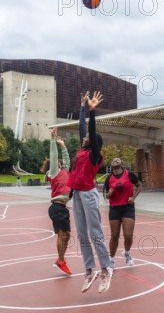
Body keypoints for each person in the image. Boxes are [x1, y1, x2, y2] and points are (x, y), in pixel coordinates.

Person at [67, 91, 113, 294]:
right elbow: (82, 128)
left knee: (95, 234)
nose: (84, 137)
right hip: (77, 195)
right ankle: (89, 271)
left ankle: (105, 269)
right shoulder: (82, 151)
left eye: (88, 137)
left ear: (94, 142)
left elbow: (90, 131)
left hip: (89, 194)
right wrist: (82, 108)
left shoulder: (95, 155)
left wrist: (92, 112)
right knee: (82, 235)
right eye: (84, 137)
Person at [40, 128, 72, 276]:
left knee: (67, 235)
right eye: (57, 162)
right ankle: (61, 261)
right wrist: (52, 140)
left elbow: (67, 160)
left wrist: (62, 145)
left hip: (62, 207)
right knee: (62, 235)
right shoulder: (53, 172)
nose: (59, 162)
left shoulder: (64, 170)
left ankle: (61, 260)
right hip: (57, 207)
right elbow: (54, 157)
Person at [104, 158, 142, 268]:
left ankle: (126, 253)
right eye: (113, 160)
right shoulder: (109, 179)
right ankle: (111, 260)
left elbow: (139, 186)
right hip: (115, 209)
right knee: (114, 236)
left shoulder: (129, 175)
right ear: (111, 164)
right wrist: (109, 194)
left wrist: (133, 197)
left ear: (121, 163)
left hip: (128, 208)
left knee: (128, 236)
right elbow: (107, 195)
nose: (115, 160)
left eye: (117, 159)